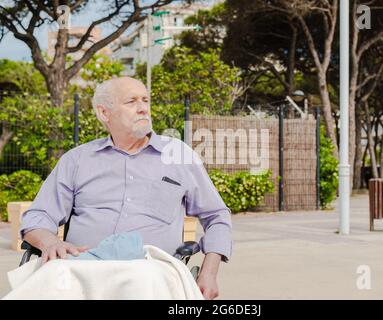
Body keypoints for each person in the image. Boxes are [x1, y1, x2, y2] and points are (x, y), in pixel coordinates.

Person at [20, 77, 232, 300]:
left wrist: (209, 272)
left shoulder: (179, 156)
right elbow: (39, 215)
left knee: (141, 280)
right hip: (83, 266)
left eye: (145, 100)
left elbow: (217, 215)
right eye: (131, 102)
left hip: (150, 269)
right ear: (104, 113)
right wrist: (50, 242)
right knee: (46, 278)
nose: (142, 109)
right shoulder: (77, 160)